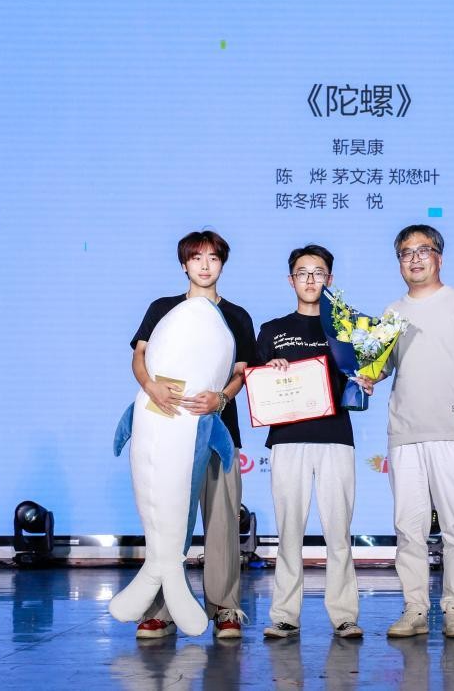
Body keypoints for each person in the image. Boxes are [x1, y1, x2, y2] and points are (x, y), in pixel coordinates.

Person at [362, 224, 454, 639]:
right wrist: (366, 376)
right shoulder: (392, 312)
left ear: (439, 257)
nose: (414, 258)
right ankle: (415, 609)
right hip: (405, 433)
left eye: (423, 250)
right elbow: (382, 366)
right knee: (409, 527)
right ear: (399, 262)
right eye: (406, 253)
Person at [129, 230, 256, 640]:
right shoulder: (162, 308)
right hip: (166, 432)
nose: (205, 265)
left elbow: (241, 373)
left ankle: (225, 607)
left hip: (218, 432)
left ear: (222, 264)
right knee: (166, 520)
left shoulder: (237, 315)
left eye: (213, 258)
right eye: (197, 258)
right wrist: (150, 386)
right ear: (184, 264)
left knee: (222, 522)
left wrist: (222, 398)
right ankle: (160, 609)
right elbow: (140, 355)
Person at [254, 245, 364, 640]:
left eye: (318, 272)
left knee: (339, 532)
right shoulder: (272, 330)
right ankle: (285, 615)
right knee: (289, 532)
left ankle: (344, 615)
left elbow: (364, 375)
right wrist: (271, 369)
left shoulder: (347, 328)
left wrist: (367, 379)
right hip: (288, 439)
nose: (311, 279)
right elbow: (256, 381)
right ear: (291, 280)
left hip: (336, 437)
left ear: (330, 279)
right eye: (303, 272)